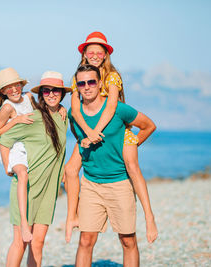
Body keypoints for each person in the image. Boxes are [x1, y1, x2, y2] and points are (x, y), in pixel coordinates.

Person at [64, 32, 158, 245]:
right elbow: (76, 112)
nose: (95, 55)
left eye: (100, 52)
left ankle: (150, 218)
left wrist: (130, 141)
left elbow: (112, 106)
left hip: (118, 130)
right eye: (91, 52)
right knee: (70, 169)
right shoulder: (78, 78)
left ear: (106, 55)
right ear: (84, 55)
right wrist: (88, 133)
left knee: (132, 168)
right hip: (91, 131)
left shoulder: (112, 75)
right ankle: (72, 216)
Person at [0, 71, 71, 267]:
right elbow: (3, 140)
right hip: (27, 189)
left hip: (48, 192)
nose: (51, 94)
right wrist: (8, 167)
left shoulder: (64, 117)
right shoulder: (34, 117)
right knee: (21, 242)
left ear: (62, 93)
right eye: (46, 91)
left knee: (37, 243)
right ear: (41, 95)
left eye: (56, 90)